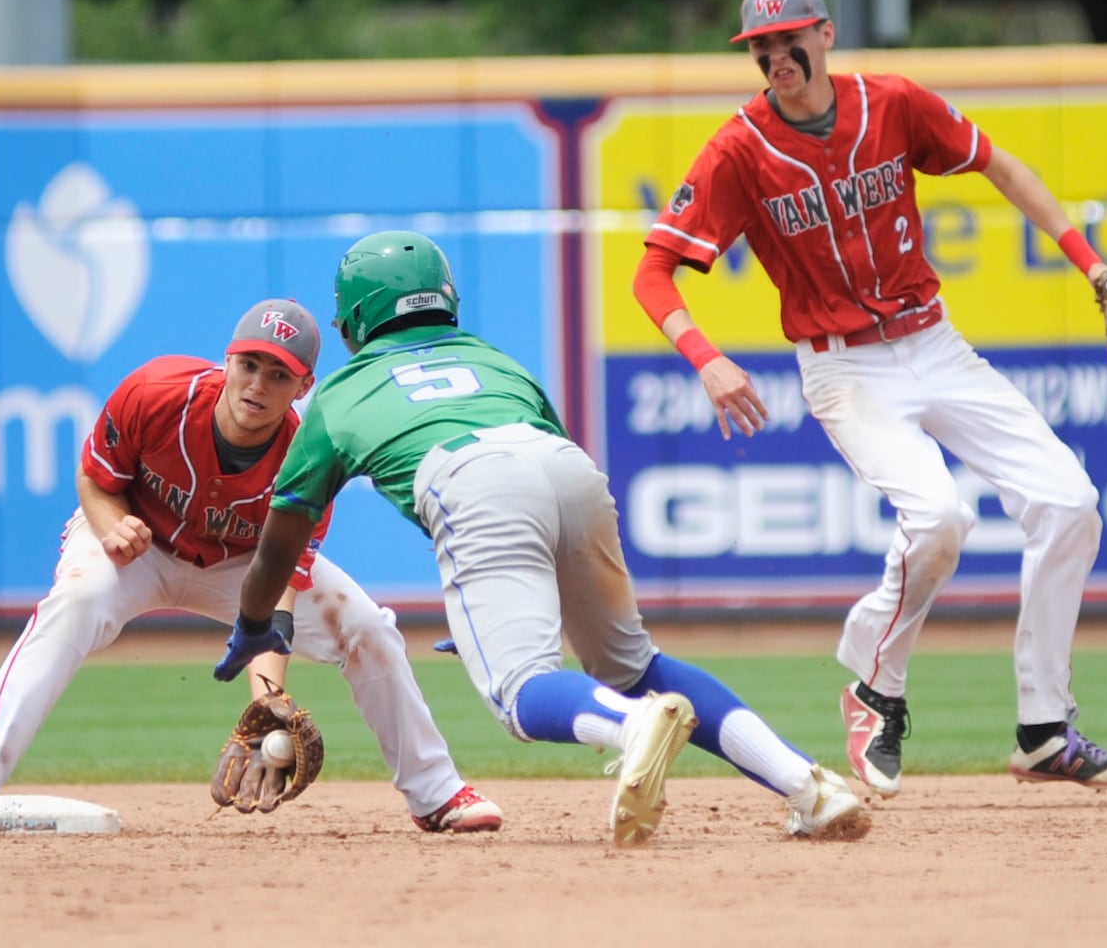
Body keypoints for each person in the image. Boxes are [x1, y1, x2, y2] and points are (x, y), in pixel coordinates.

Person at [631, 0, 1107, 799]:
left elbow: (1000, 166)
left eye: (786, 37)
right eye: (759, 46)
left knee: (1068, 503)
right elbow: (654, 274)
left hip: (932, 344)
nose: (773, 55)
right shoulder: (738, 149)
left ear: (825, 35)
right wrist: (705, 356)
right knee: (938, 518)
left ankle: (1043, 731)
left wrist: (1095, 269)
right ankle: (875, 687)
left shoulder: (894, 104)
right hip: (844, 367)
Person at [211, 230, 870, 847]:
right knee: (632, 667)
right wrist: (499, 603)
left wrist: (252, 621)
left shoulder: (339, 392)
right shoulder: (494, 359)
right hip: (565, 470)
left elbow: (279, 544)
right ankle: (807, 789)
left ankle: (633, 726)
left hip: (472, 485)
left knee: (521, 694)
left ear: (354, 318)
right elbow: (544, 474)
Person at [0, 298, 501, 838]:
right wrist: (109, 526)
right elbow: (96, 479)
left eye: (278, 375)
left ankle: (438, 794)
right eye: (249, 364)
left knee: (368, 628)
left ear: (303, 386)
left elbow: (279, 589)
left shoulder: (309, 457)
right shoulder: (155, 393)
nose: (258, 384)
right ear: (227, 360)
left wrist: (267, 699)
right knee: (76, 600)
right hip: (138, 545)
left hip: (245, 566)